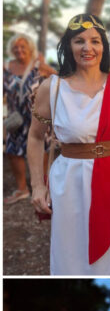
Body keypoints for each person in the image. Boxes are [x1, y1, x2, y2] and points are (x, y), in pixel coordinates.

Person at [27, 14, 110, 274]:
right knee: (72, 255)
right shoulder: (52, 88)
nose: (87, 48)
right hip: (70, 182)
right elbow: (34, 137)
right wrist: (37, 185)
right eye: (79, 41)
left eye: (95, 41)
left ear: (104, 47)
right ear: (68, 46)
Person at [4, 33, 55, 205]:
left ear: (30, 48)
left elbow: (58, 81)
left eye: (22, 47)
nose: (19, 50)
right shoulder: (6, 67)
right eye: (16, 47)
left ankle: (42, 186)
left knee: (42, 149)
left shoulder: (38, 65)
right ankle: (22, 189)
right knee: (12, 152)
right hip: (16, 119)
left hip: (38, 116)